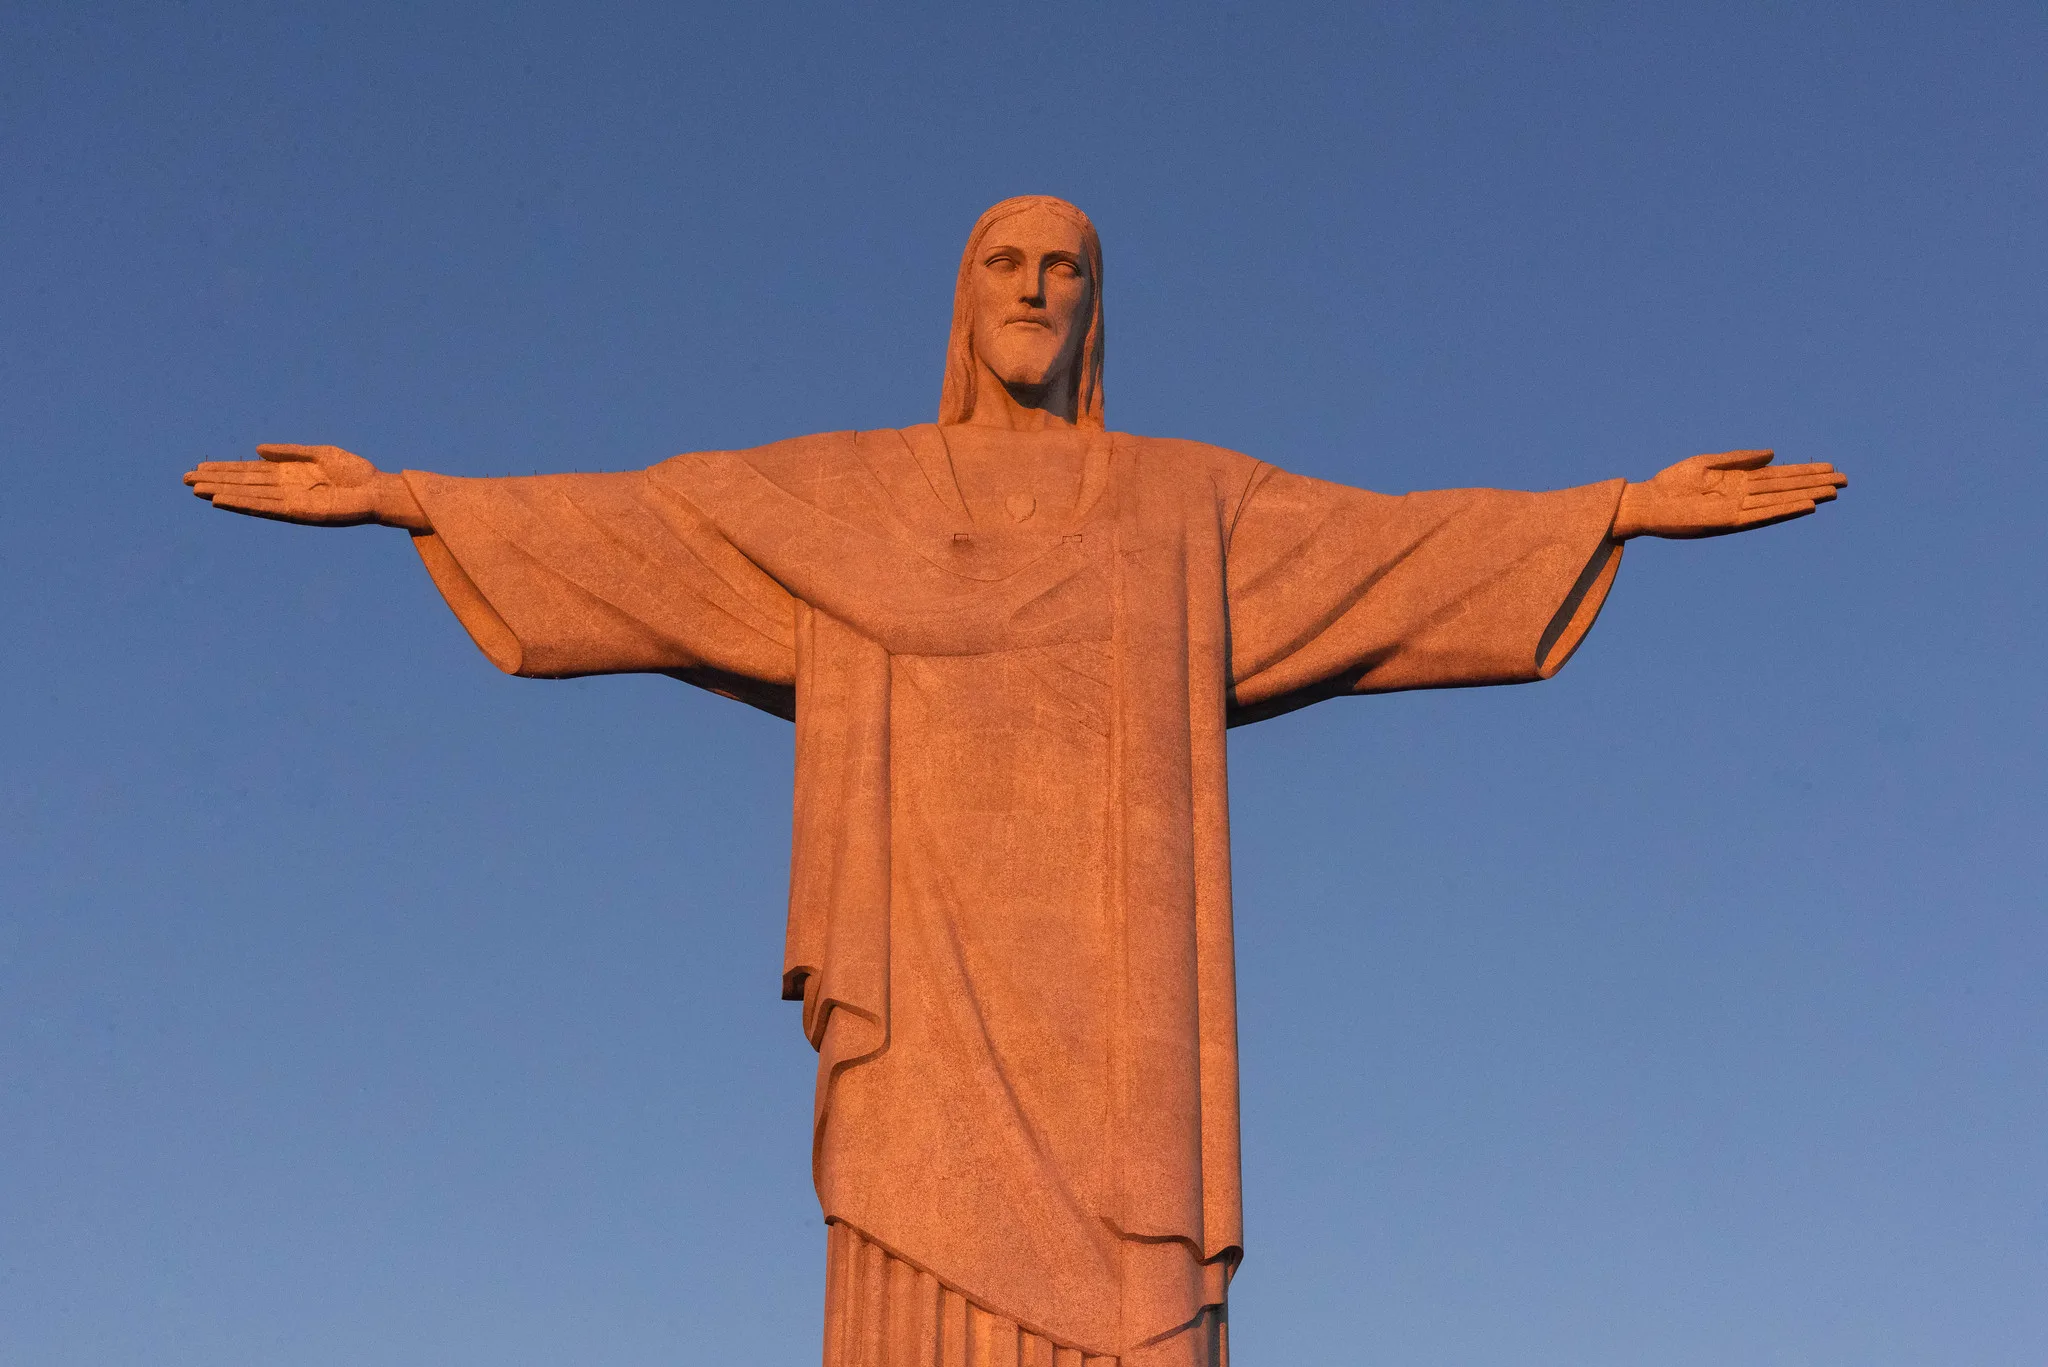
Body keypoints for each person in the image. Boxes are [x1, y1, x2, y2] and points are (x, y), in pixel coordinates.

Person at [185, 195, 1845, 1367]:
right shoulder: (857, 494)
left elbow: (1391, 545)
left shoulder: (1183, 508)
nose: (1036, 289)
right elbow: (653, 522)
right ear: (964, 301)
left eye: (1065, 267)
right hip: (922, 1005)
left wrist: (1613, 507)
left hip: (1118, 1045)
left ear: (1094, 309)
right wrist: (411, 496)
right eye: (1005, 263)